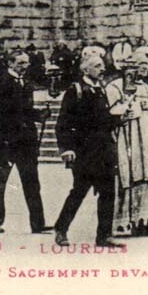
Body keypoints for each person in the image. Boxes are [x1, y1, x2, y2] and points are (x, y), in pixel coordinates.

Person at [54, 52, 122, 248]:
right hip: (85, 152)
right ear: (86, 69)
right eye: (98, 66)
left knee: (108, 193)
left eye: (102, 66)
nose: (102, 69)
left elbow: (103, 121)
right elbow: (63, 123)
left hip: (105, 150)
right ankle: (61, 229)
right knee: (79, 192)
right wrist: (66, 148)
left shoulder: (99, 90)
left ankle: (104, 236)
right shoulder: (75, 90)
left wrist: (119, 117)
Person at [0, 49, 51, 235]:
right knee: (0, 183)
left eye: (26, 63)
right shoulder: (0, 85)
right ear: (10, 64)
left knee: (32, 183)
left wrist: (39, 115)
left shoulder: (26, 84)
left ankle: (38, 223)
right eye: (20, 63)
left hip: (26, 143)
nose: (25, 66)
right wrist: (1, 139)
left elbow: (24, 111)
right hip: (6, 143)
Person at [106, 50, 148, 237]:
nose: (147, 68)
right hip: (127, 141)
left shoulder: (147, 89)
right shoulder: (115, 87)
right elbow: (109, 111)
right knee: (131, 177)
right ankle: (129, 221)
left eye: (147, 65)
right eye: (143, 65)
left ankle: (146, 220)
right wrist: (125, 110)